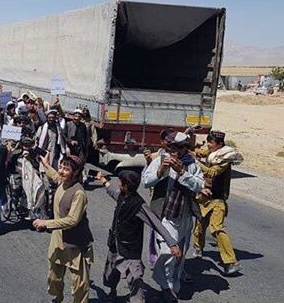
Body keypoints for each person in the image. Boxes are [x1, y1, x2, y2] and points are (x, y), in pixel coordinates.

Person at [96, 170, 182, 303]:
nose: (118, 184)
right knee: (111, 273)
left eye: (120, 182)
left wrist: (172, 243)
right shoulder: (122, 195)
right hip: (115, 243)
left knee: (135, 279)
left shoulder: (139, 205)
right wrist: (103, 181)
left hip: (131, 249)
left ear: (125, 186)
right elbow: (112, 192)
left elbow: (156, 224)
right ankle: (112, 292)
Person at [142, 132, 204, 302]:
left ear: (185, 148)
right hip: (166, 215)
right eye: (171, 148)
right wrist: (161, 170)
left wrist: (182, 172)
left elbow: (199, 185)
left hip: (184, 215)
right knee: (169, 251)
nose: (174, 151)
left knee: (180, 256)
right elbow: (146, 181)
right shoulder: (160, 160)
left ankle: (173, 286)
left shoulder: (191, 165)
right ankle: (167, 286)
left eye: (178, 148)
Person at [33, 155, 93, 303]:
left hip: (75, 243)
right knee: (54, 277)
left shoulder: (78, 193)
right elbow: (55, 176)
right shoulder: (63, 182)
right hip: (58, 239)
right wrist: (46, 165)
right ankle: (57, 297)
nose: (62, 171)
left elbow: (72, 220)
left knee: (80, 284)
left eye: (66, 169)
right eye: (61, 167)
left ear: (76, 172)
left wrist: (46, 223)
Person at [192, 130, 243, 275]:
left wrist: (196, 163)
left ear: (219, 145)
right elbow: (199, 151)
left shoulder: (223, 159)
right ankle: (198, 248)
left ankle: (231, 262)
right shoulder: (209, 151)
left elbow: (211, 172)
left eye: (211, 142)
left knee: (216, 228)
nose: (208, 144)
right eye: (208, 141)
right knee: (200, 225)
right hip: (204, 196)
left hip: (218, 198)